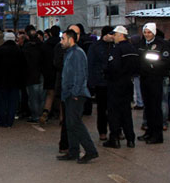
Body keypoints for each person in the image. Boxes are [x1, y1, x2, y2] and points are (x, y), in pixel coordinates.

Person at [56, 29, 98, 164]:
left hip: (76, 94)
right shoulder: (69, 53)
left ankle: (90, 151)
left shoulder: (77, 54)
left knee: (75, 123)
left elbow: (80, 75)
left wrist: (75, 92)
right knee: (70, 124)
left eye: (63, 39)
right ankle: (73, 151)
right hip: (69, 94)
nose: (61, 41)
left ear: (70, 39)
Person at [103, 26, 139, 148]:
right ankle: (130, 139)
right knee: (126, 112)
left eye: (115, 34)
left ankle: (115, 138)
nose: (113, 37)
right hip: (128, 83)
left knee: (114, 112)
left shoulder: (117, 49)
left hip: (116, 84)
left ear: (120, 35)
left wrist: (107, 74)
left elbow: (113, 67)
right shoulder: (132, 48)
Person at [137, 23, 170, 144]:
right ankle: (149, 132)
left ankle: (157, 135)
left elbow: (165, 62)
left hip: (155, 78)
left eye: (149, 32)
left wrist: (151, 65)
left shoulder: (162, 44)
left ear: (154, 32)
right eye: (145, 32)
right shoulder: (142, 44)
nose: (147, 34)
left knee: (156, 107)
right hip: (144, 78)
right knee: (148, 107)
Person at [87, 26, 114, 140]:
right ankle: (102, 131)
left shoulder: (115, 46)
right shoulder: (95, 47)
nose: (113, 36)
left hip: (113, 82)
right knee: (102, 108)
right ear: (105, 35)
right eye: (111, 34)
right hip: (100, 82)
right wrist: (91, 83)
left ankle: (116, 129)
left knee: (114, 108)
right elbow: (90, 64)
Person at [0, 32, 26, 127]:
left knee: (2, 101)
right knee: (13, 102)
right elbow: (23, 67)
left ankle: (2, 120)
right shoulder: (19, 51)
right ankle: (10, 121)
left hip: (2, 81)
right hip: (15, 81)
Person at [22, 25, 44, 124]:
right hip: (41, 73)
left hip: (30, 75)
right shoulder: (41, 45)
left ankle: (35, 116)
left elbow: (24, 61)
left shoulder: (26, 47)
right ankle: (41, 115)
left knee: (33, 97)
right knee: (40, 96)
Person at [39, 25, 61, 124]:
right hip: (59, 72)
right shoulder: (62, 44)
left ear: (50, 33)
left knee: (50, 94)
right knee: (61, 96)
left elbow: (42, 59)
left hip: (48, 72)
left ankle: (46, 112)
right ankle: (61, 117)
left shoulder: (45, 44)